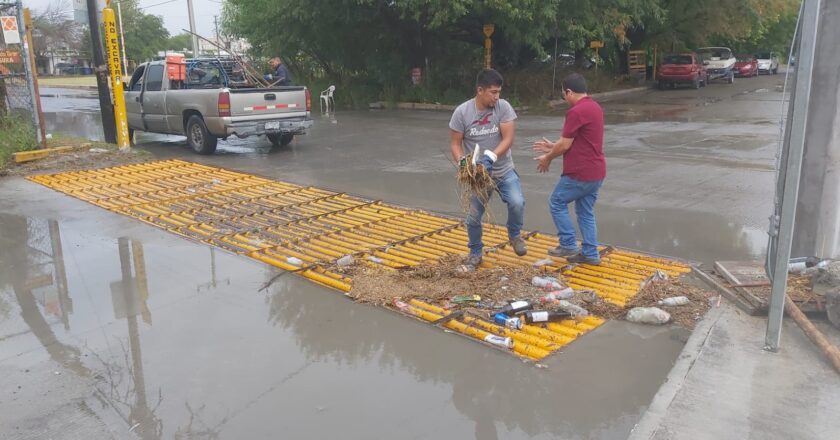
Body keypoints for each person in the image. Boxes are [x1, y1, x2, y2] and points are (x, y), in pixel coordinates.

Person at [450, 69, 527, 271]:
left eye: (498, 92)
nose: (496, 96)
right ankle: (475, 253)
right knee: (473, 217)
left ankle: (514, 234)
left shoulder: (503, 108)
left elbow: (508, 138)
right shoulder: (462, 113)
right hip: (480, 177)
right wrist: (464, 164)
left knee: (517, 202)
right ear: (480, 90)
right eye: (493, 92)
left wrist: (491, 157)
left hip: (503, 170)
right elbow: (456, 144)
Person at [533, 73, 605, 265]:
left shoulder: (576, 111)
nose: (564, 98)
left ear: (569, 91)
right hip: (596, 172)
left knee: (556, 202)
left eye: (563, 94)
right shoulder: (595, 107)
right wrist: (552, 147)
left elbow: (565, 145)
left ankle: (568, 244)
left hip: (579, 173)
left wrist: (547, 157)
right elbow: (577, 141)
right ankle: (590, 254)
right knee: (585, 211)